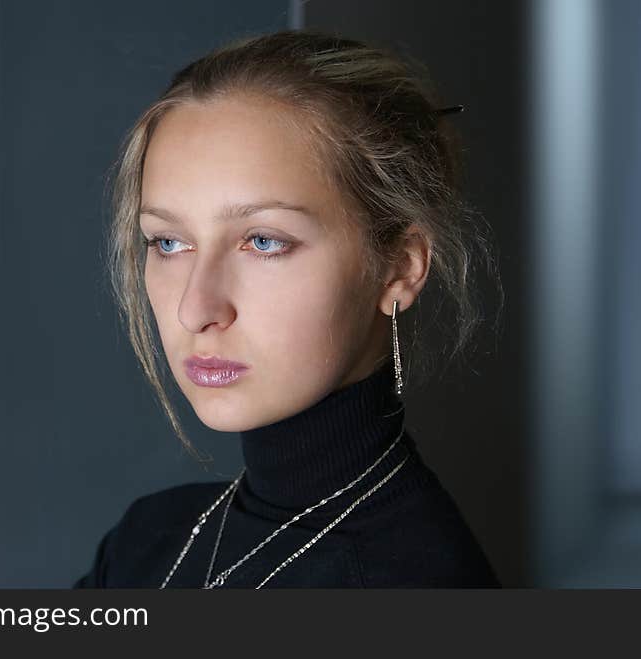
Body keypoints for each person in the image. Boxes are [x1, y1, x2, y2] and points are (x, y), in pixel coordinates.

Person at [74, 29, 503, 588]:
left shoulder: (413, 580)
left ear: (399, 268)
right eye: (168, 243)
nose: (195, 308)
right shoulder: (145, 541)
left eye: (264, 241)